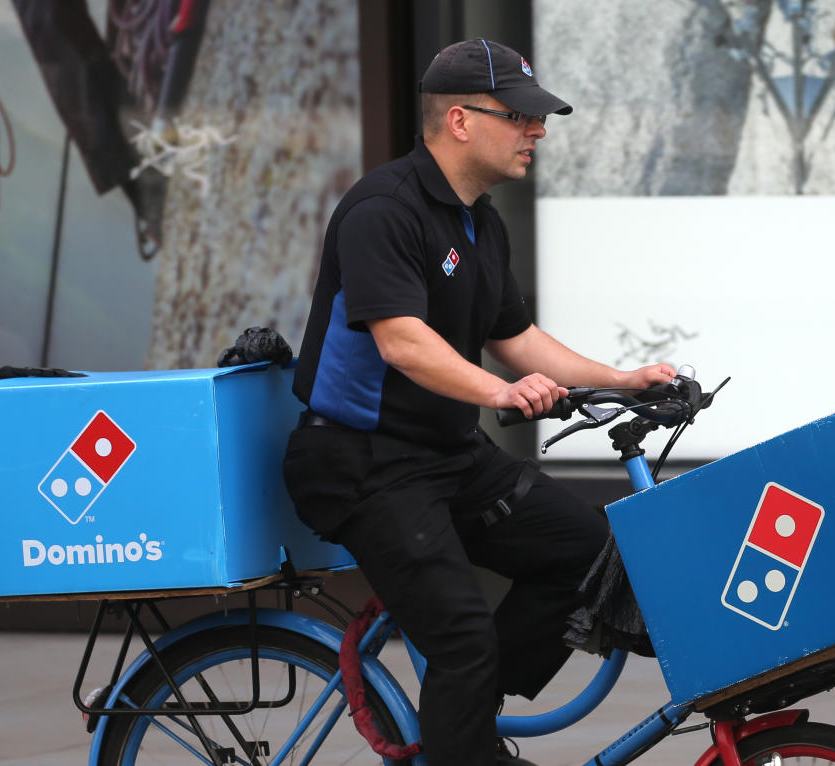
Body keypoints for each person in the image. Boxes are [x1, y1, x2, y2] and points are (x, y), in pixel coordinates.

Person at [283, 39, 674, 766]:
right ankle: (465, 727)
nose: (538, 131)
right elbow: (402, 341)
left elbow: (516, 337)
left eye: (539, 118)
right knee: (460, 640)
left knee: (589, 553)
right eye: (521, 116)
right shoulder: (383, 210)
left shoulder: (480, 222)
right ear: (460, 120)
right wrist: (501, 391)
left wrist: (625, 379)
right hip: (364, 464)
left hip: (446, 455)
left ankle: (470, 720)